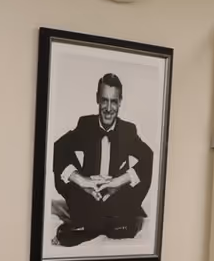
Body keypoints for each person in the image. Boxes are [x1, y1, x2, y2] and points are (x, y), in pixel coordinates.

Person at [50, 73, 154, 246]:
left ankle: (81, 229)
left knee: (120, 220)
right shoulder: (86, 125)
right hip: (88, 197)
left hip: (116, 201)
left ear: (120, 101)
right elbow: (58, 148)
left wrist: (118, 182)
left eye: (113, 101)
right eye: (104, 100)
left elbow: (148, 157)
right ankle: (104, 226)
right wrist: (82, 181)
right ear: (97, 99)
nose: (108, 108)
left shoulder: (128, 130)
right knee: (119, 227)